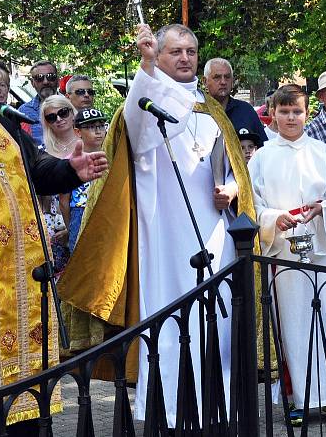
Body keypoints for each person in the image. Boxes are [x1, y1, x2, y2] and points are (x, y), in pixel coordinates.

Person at [58, 23, 258, 428]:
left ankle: (219, 410)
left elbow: (232, 167)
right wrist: (146, 65)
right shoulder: (147, 101)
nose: (184, 58)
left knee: (214, 324)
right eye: (175, 52)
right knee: (169, 324)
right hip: (162, 234)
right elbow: (136, 119)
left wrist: (232, 190)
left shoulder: (213, 109)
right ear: (160, 56)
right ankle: (168, 412)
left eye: (190, 52)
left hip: (214, 233)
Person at [0, 27, 108, 436]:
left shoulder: (2, 126)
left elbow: (37, 171)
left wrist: (69, 171)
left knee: (24, 399)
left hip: (19, 285)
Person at [248, 84, 326, 426]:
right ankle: (296, 397)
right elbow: (253, 204)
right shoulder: (262, 157)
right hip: (283, 250)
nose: (291, 118)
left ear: (307, 112)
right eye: (284, 112)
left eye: (297, 111)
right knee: (292, 323)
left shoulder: (322, 153)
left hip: (321, 248)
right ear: (273, 114)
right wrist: (272, 218)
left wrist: (322, 207)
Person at [39, 95, 79, 274]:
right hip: (56, 225)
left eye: (63, 112)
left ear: (72, 112)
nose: (59, 119)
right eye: (51, 117)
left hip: (88, 216)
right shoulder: (42, 152)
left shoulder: (91, 141)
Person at [67, 107, 108, 251]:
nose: (98, 131)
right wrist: (69, 226)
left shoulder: (111, 156)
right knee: (80, 255)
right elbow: (63, 200)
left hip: (105, 209)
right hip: (80, 211)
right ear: (78, 131)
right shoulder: (71, 160)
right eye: (91, 127)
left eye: (101, 125)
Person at [204, 57, 268, 145]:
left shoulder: (246, 110)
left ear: (232, 81)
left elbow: (263, 147)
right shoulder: (198, 112)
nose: (223, 82)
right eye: (217, 77)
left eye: (227, 77)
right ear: (205, 81)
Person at [18, 60, 58, 143]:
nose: (46, 82)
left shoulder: (70, 106)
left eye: (50, 76)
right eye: (39, 78)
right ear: (32, 83)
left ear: (57, 80)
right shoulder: (24, 112)